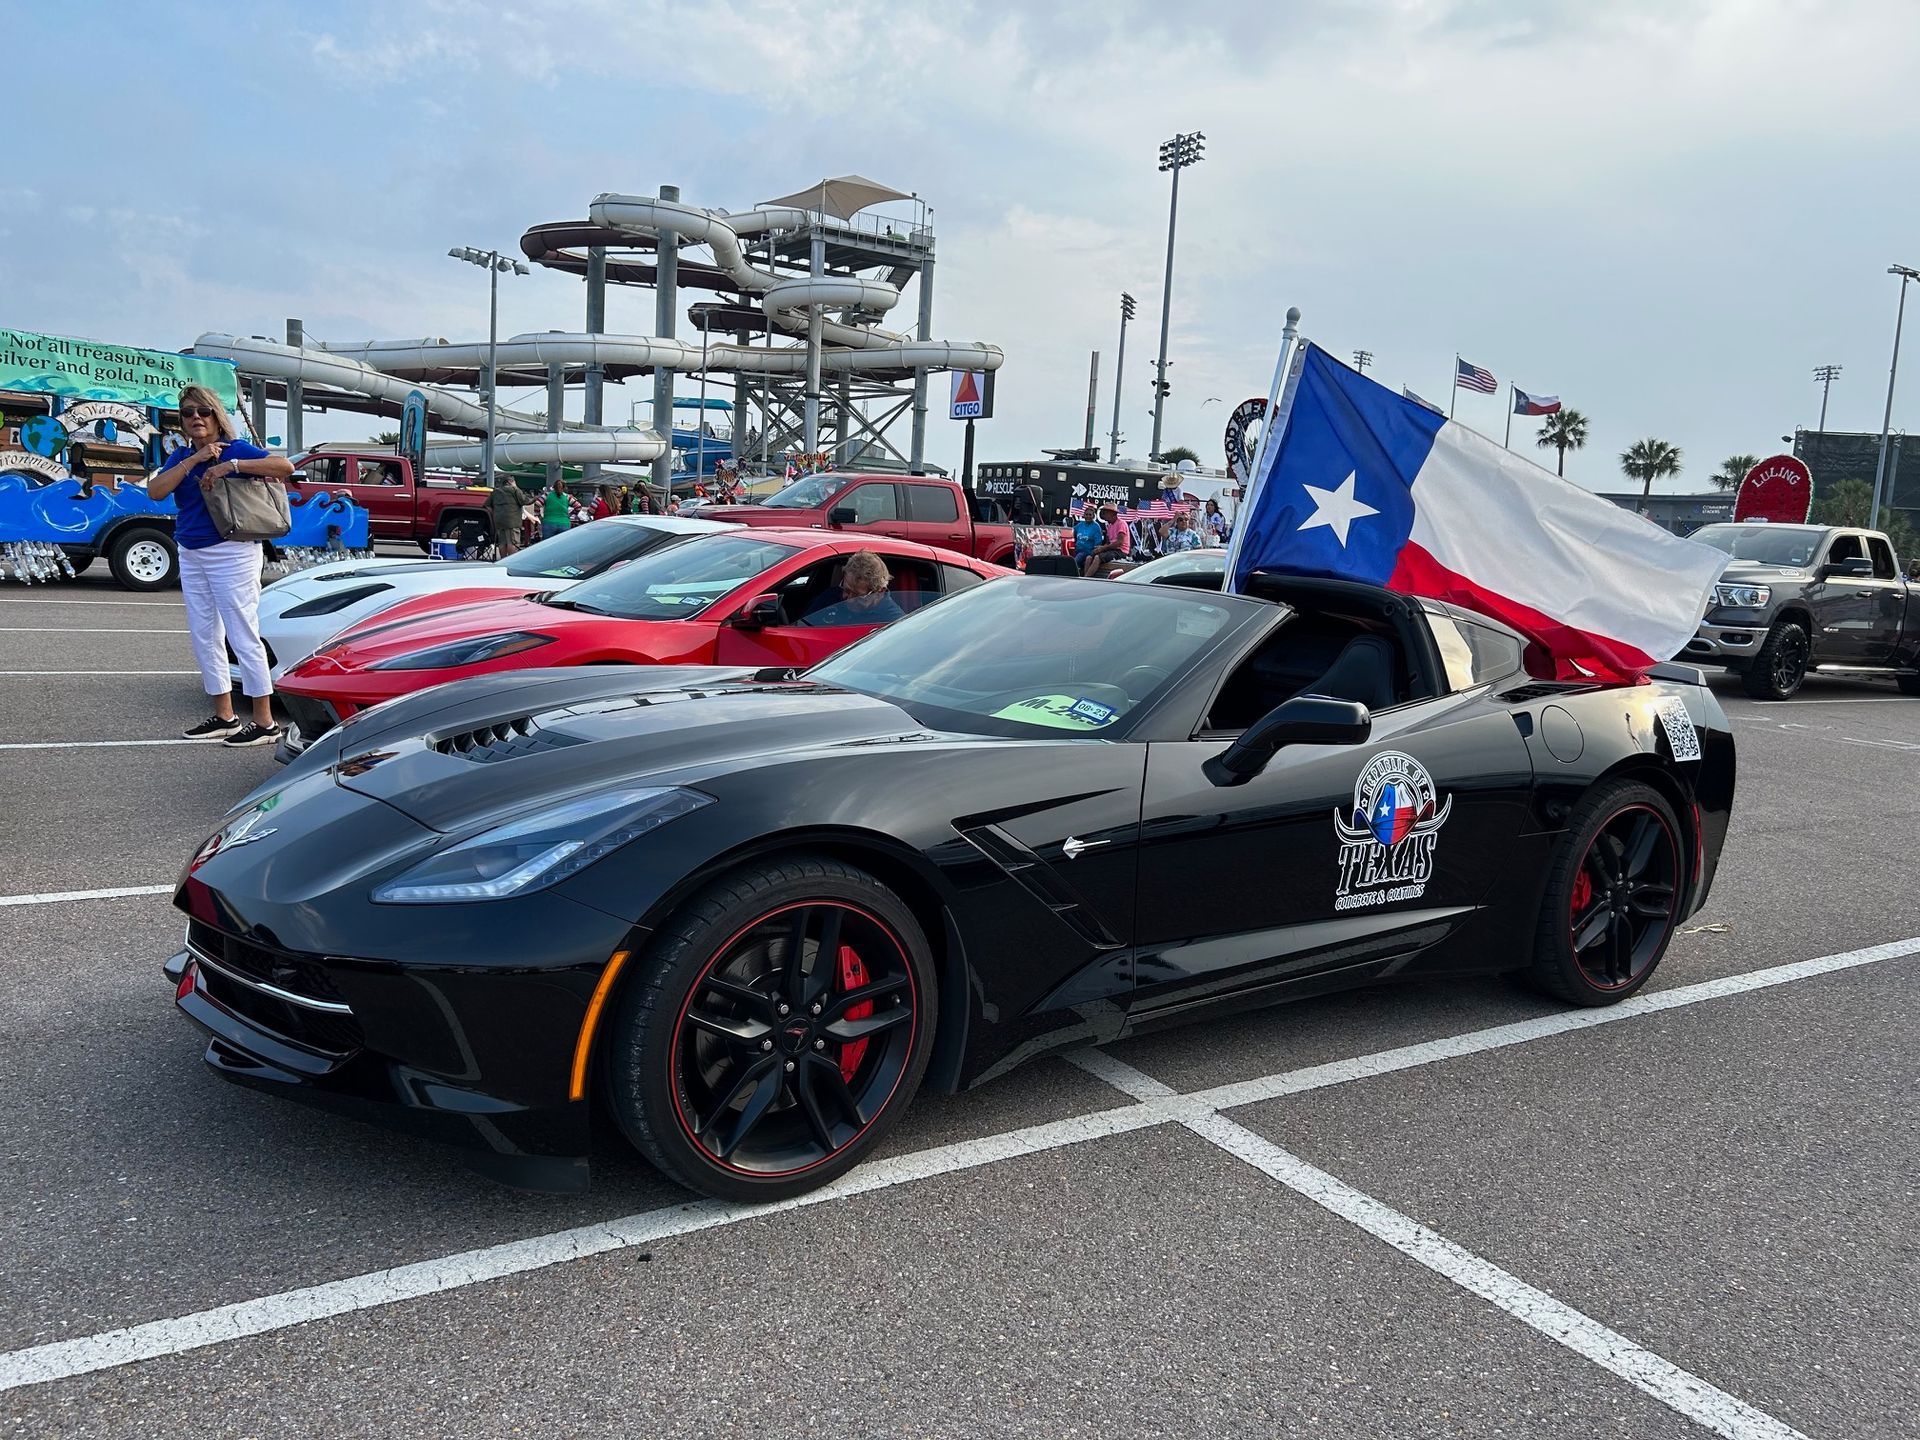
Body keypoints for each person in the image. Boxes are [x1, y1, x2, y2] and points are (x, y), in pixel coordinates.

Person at [147, 384, 292, 747]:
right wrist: (196, 460)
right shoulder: (181, 456)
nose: (197, 417)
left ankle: (265, 722)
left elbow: (284, 466)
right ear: (181, 421)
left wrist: (231, 465)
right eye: (188, 413)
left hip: (232, 552)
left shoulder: (235, 448)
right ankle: (225, 716)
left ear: (216, 415)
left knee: (242, 632)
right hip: (191, 551)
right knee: (204, 635)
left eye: (204, 411)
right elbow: (156, 491)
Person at [800, 550, 904, 626]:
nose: (849, 599)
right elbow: (800, 627)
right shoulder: (830, 598)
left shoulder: (893, 622)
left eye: (857, 596)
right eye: (846, 590)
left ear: (879, 592)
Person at [487, 473, 532, 556]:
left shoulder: (496, 491)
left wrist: (496, 513)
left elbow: (487, 505)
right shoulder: (514, 490)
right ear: (510, 482)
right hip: (512, 521)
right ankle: (510, 561)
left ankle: (503, 560)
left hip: (499, 521)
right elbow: (525, 501)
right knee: (512, 542)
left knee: (502, 543)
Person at [1084, 503, 1131, 576]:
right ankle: (1084, 576)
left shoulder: (1121, 524)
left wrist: (1103, 548)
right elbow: (1108, 542)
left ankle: (1086, 578)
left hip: (1121, 551)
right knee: (1089, 557)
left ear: (1113, 514)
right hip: (1112, 549)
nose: (1103, 514)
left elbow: (1119, 543)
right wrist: (1100, 548)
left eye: (1106, 512)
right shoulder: (1109, 525)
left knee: (1098, 557)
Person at [1071, 502, 1105, 571]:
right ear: (1084, 515)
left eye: (1090, 515)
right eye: (1086, 514)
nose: (1088, 516)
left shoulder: (1096, 527)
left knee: (1076, 560)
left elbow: (1098, 544)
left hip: (1087, 552)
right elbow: (1072, 532)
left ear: (1093, 516)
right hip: (1077, 550)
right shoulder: (1080, 524)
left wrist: (1092, 553)